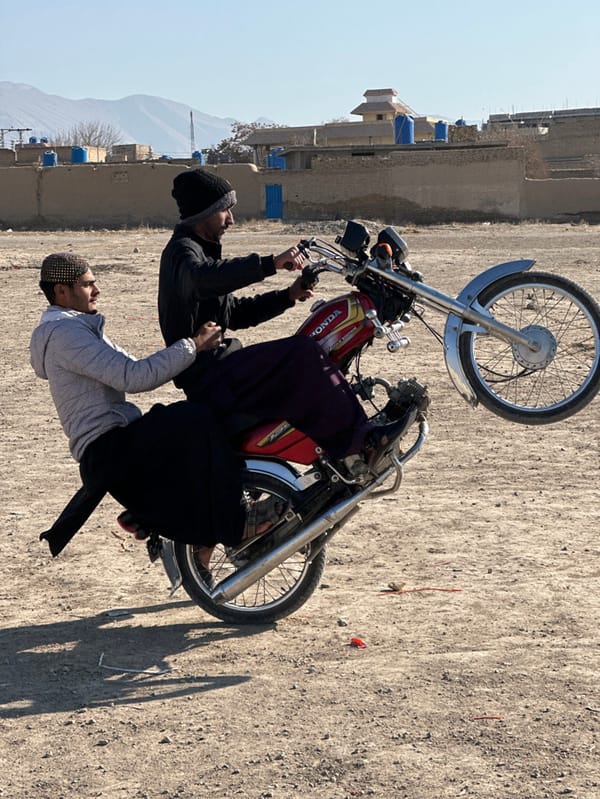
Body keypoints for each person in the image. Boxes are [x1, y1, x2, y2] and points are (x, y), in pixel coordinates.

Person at [158, 168, 409, 464]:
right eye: (225, 210)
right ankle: (363, 442)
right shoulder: (182, 254)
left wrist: (288, 296)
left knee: (315, 345)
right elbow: (202, 279)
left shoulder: (200, 252)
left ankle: (338, 450)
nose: (231, 219)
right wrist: (271, 263)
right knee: (302, 352)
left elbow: (233, 313)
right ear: (205, 212)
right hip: (212, 378)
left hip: (223, 370)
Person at [30, 252, 248, 559]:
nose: (97, 290)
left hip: (112, 443)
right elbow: (134, 377)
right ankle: (236, 526)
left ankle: (165, 523)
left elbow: (131, 366)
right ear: (61, 291)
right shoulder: (66, 335)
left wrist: (187, 350)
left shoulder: (76, 328)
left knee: (181, 425)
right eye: (87, 284)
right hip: (108, 449)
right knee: (194, 418)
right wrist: (194, 345)